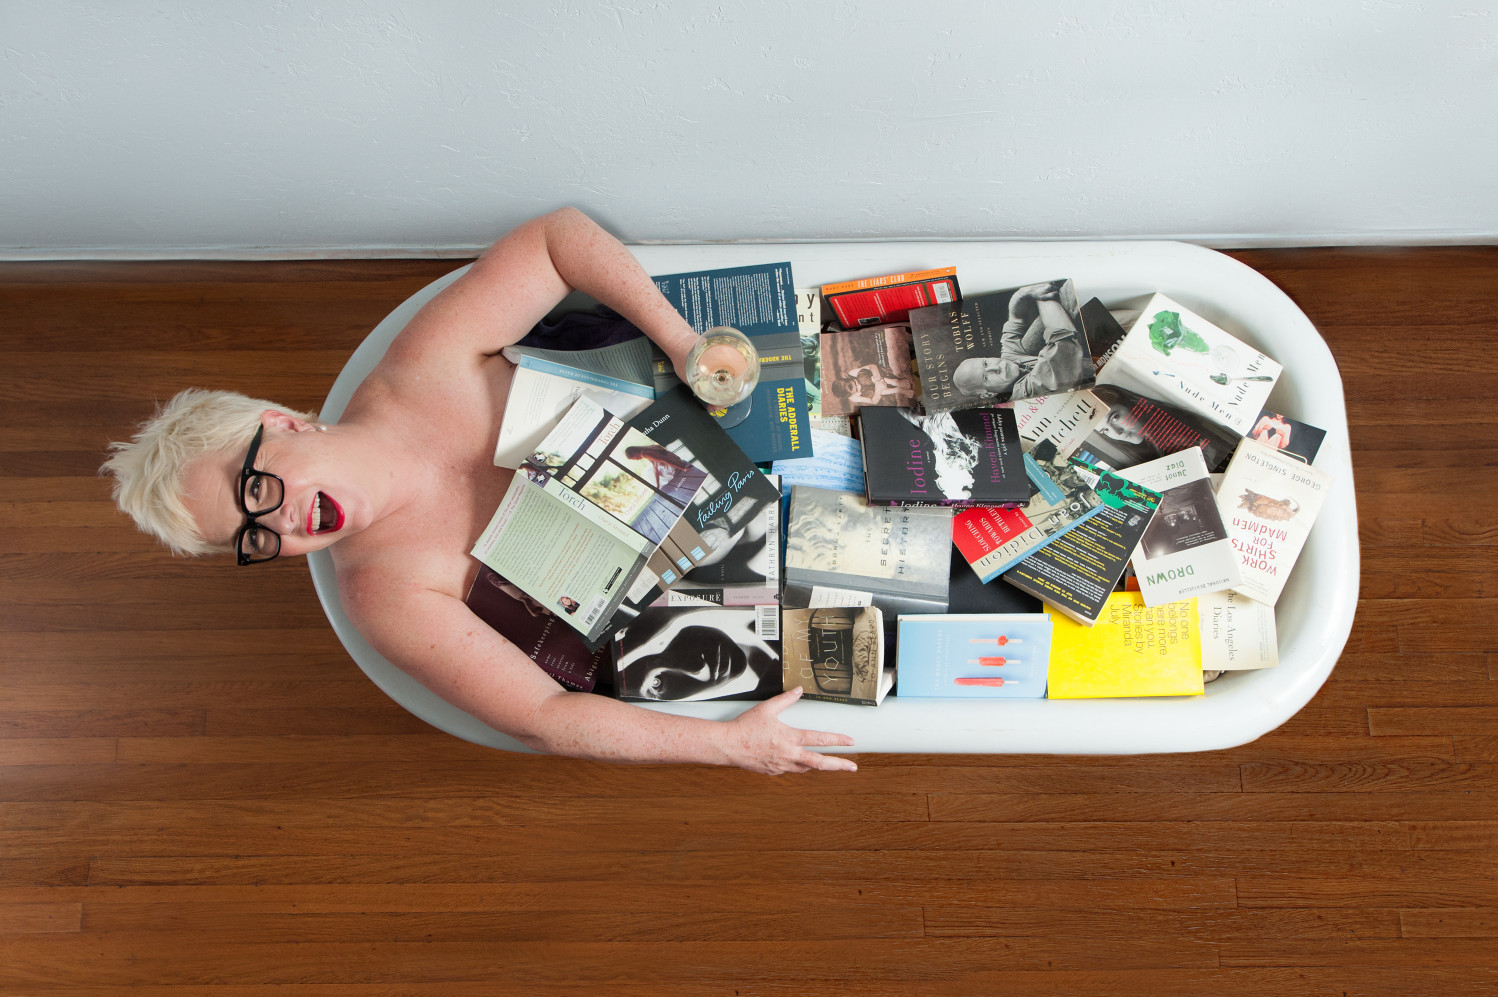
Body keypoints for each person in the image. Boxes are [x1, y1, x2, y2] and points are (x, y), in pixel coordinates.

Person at [102, 207, 856, 775]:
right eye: (253, 536)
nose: (283, 524)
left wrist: (683, 343)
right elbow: (543, 716)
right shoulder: (384, 594)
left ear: (285, 425)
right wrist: (729, 745)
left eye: (257, 488)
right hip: (733, 584)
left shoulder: (419, 370)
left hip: (740, 415)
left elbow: (558, 239)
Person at [950, 280, 1091, 402]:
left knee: (1030, 339)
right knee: (1046, 327)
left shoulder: (1008, 360)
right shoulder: (1023, 395)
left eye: (985, 363)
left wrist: (1025, 292)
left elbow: (1015, 316)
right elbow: (1064, 343)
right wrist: (1041, 297)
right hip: (1093, 379)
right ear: (989, 394)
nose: (995, 368)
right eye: (985, 377)